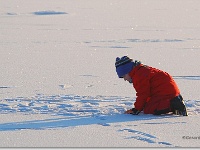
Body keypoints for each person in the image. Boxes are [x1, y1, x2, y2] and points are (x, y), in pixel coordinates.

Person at [115, 56, 188, 116]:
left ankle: (173, 104)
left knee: (149, 109)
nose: (124, 79)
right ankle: (174, 100)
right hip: (168, 91)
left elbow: (143, 94)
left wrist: (136, 109)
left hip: (165, 92)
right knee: (146, 105)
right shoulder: (140, 70)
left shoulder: (139, 76)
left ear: (128, 71)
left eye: (124, 76)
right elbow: (146, 93)